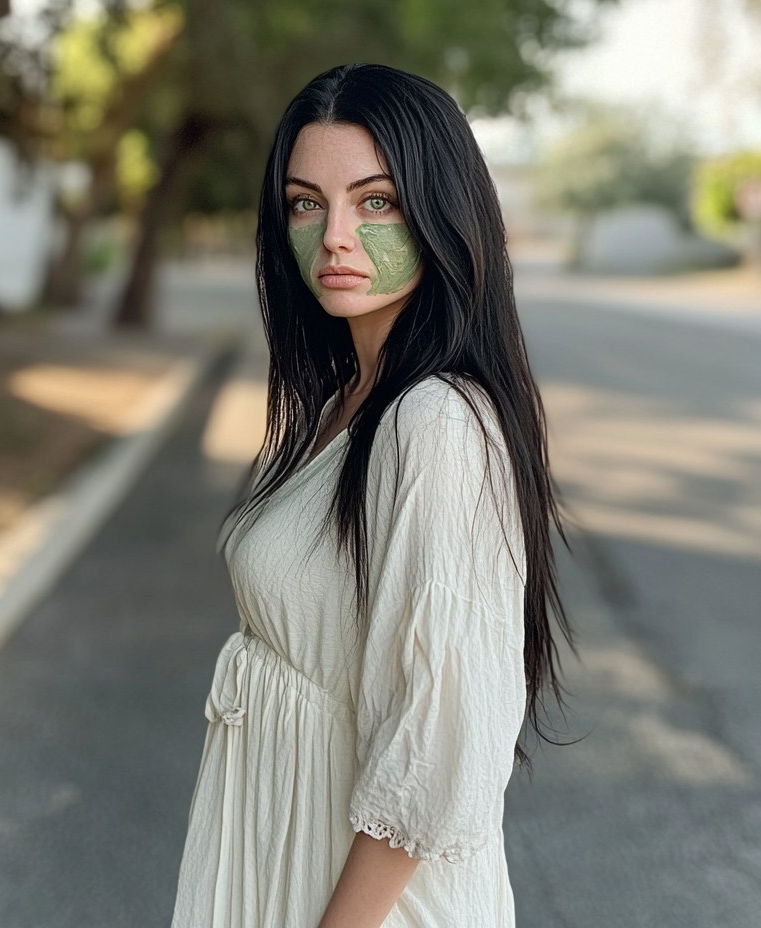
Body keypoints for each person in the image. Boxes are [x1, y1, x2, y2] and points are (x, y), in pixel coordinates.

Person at [170, 63, 568, 928]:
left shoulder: (437, 422)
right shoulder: (350, 401)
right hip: (289, 854)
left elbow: (439, 745)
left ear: (441, 212)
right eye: (306, 203)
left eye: (376, 201)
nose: (334, 237)